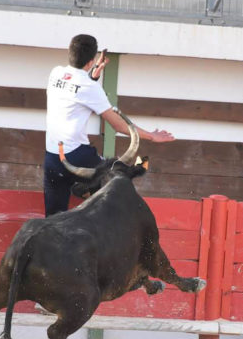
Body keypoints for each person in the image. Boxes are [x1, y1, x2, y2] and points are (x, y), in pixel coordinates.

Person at [44, 34, 174, 217]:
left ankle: (83, 189)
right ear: (90, 61)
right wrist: (153, 136)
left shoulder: (55, 73)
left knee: (53, 218)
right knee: (116, 180)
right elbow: (120, 127)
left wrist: (93, 75)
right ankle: (84, 188)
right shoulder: (90, 88)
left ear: (70, 53)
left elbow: (74, 93)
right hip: (76, 155)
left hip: (52, 157)